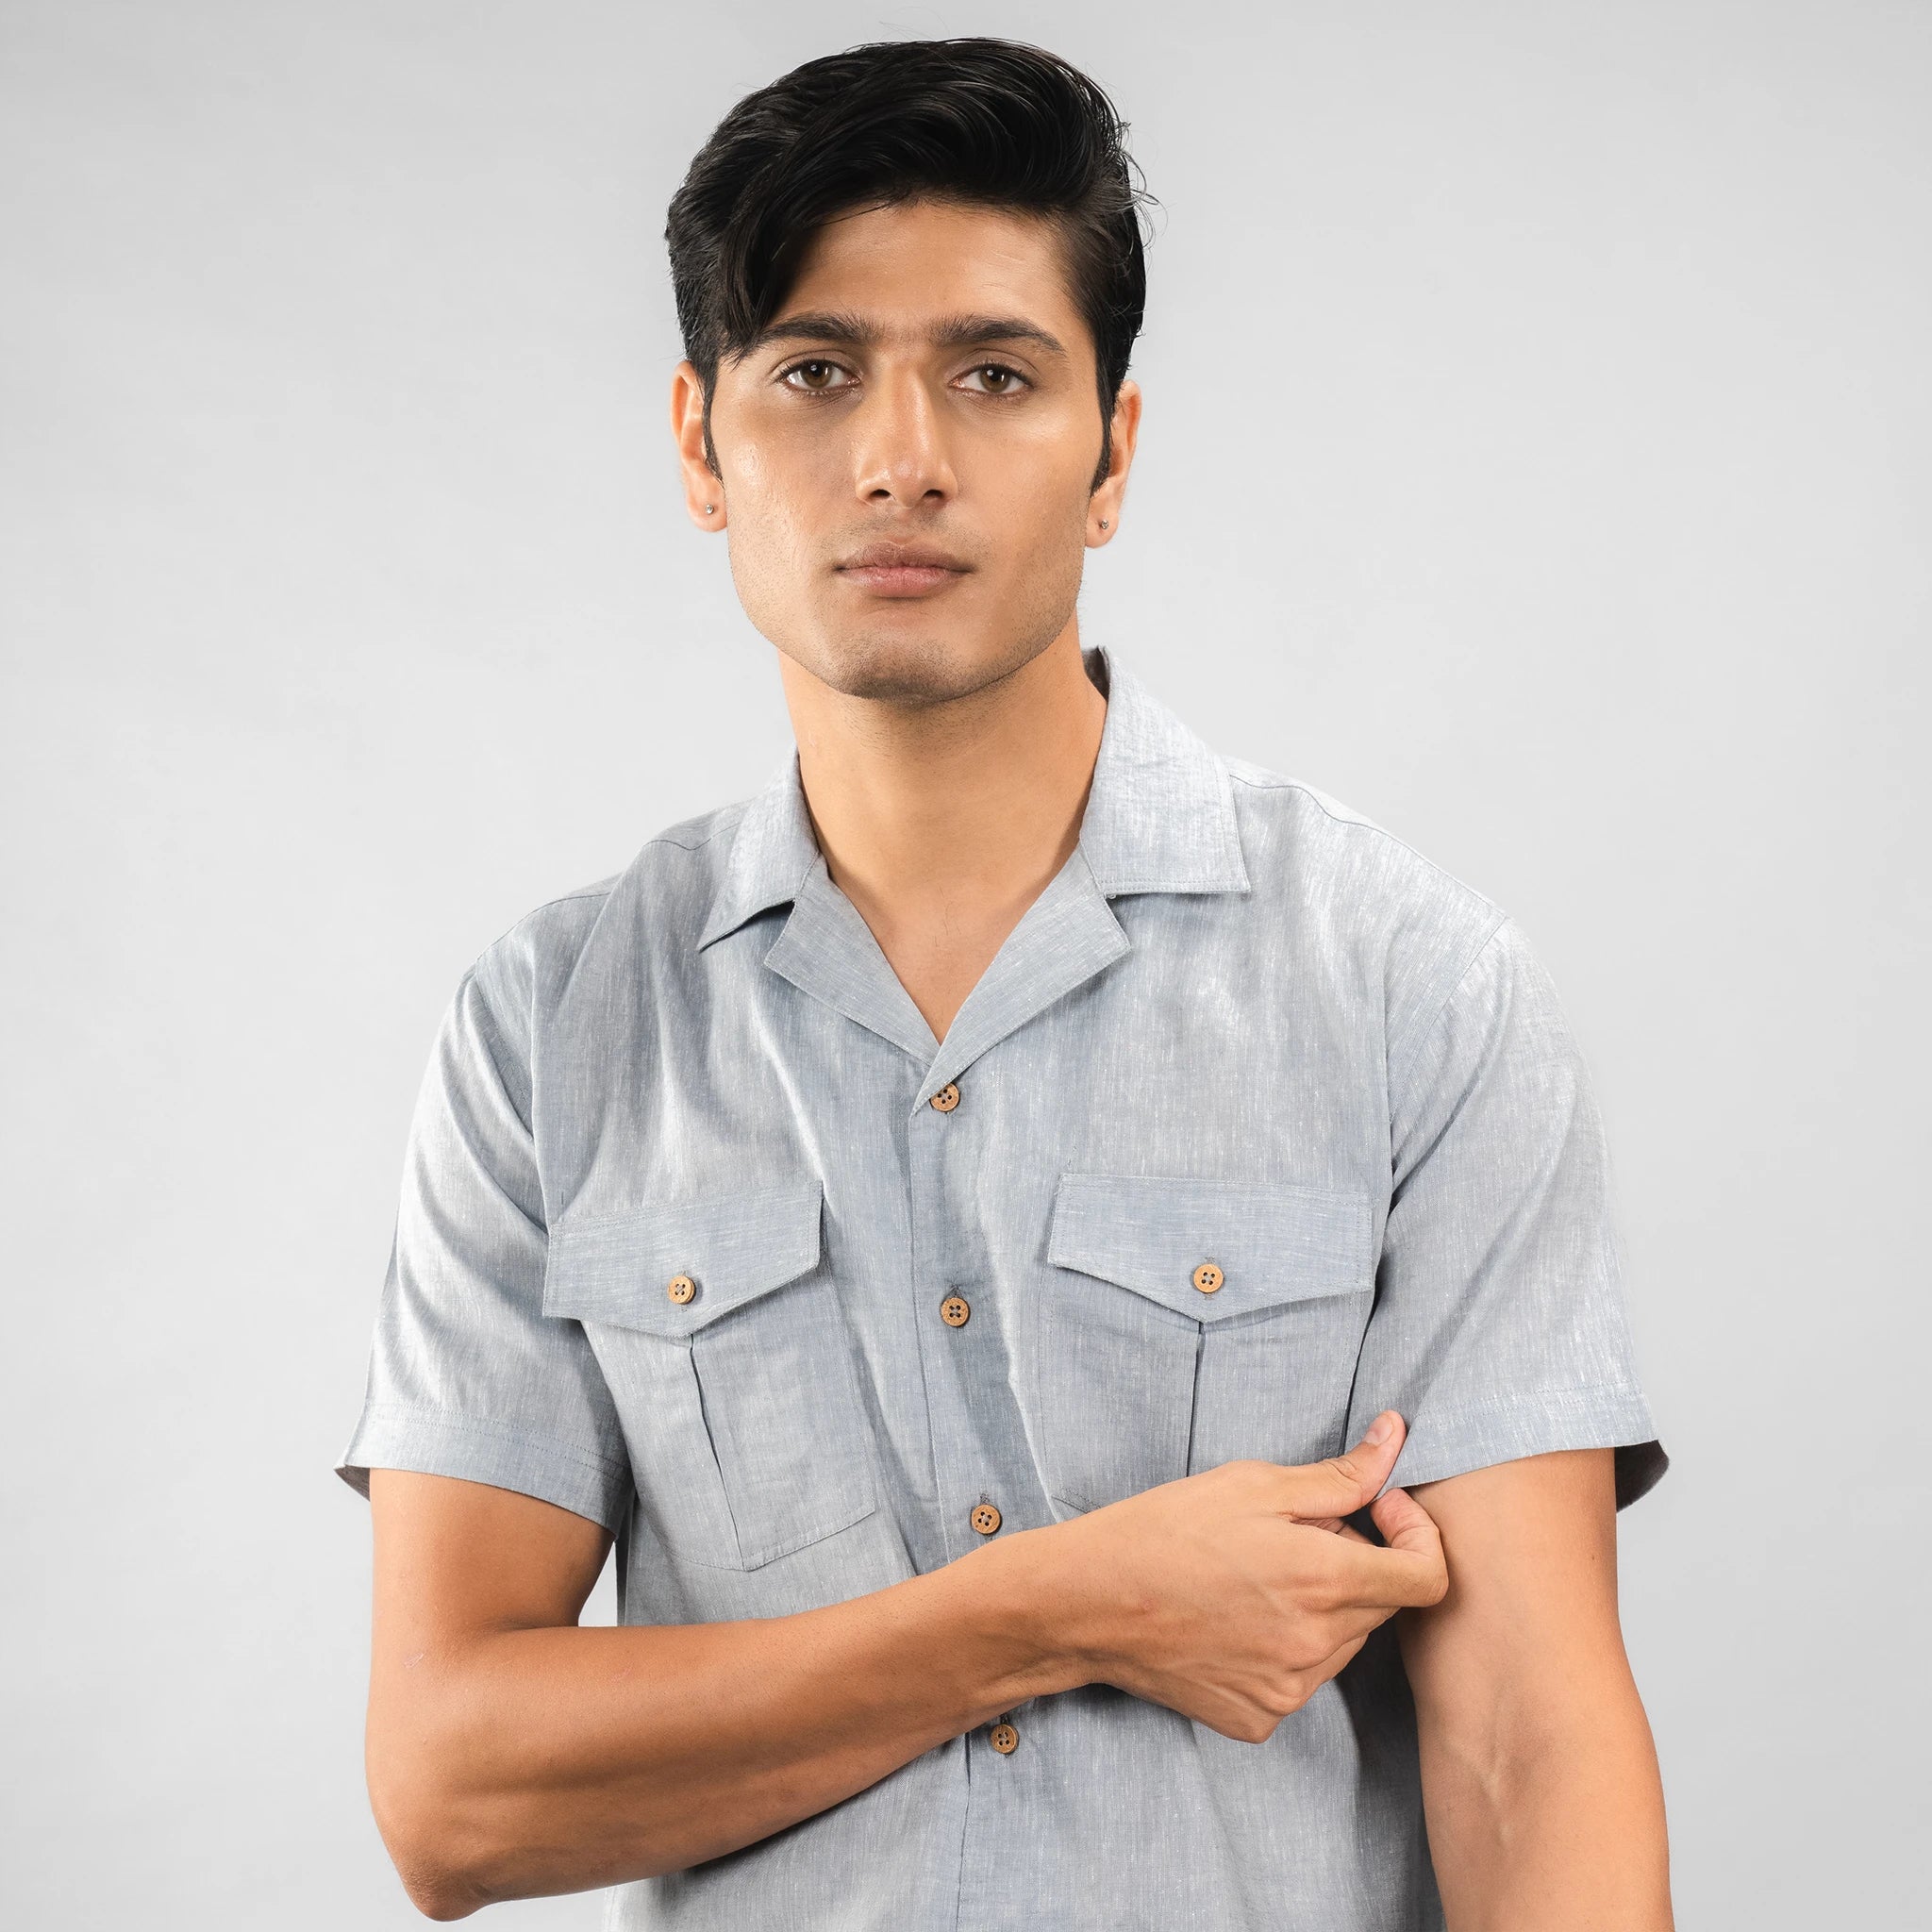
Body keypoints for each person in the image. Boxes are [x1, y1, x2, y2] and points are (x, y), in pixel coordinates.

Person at [334, 36, 1673, 1929]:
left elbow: (1528, 1742)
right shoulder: (551, 1030)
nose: (901, 457)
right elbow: (456, 1793)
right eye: (814, 371)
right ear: (700, 445)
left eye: (993, 373)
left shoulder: (1411, 987)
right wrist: (1053, 1610)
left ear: (1112, 453)